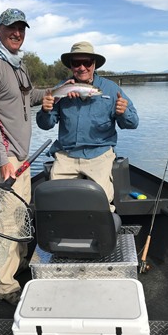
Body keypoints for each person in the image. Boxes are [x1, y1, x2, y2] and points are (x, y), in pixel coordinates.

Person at [0, 8, 43, 306]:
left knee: (20, 214)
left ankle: (20, 264)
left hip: (22, 156)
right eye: (11, 28)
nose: (17, 33)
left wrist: (58, 92)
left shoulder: (18, 65)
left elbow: (29, 98)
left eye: (21, 28)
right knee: (8, 220)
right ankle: (3, 284)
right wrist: (3, 160)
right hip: (8, 158)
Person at [36, 41, 139, 212]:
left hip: (99, 154)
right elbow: (45, 125)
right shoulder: (61, 89)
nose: (82, 67)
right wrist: (46, 110)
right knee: (54, 200)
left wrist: (123, 112)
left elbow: (133, 123)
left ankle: (101, 234)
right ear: (71, 66)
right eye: (76, 63)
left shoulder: (111, 89)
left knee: (101, 200)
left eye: (87, 63)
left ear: (94, 64)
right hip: (66, 153)